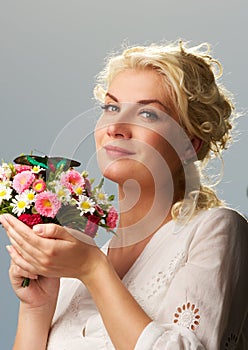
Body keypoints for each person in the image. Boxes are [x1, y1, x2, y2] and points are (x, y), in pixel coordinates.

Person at [1, 40, 248, 350]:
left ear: (190, 144)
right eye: (112, 107)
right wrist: (36, 307)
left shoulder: (214, 230)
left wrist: (93, 270)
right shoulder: (74, 268)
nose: (116, 127)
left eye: (148, 115)